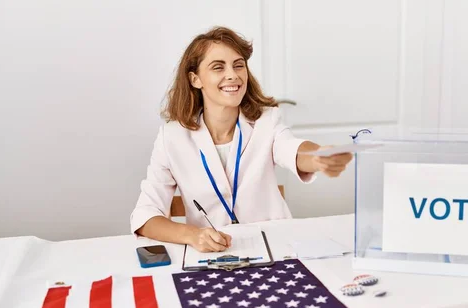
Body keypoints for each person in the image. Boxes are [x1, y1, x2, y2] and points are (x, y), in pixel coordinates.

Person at [130, 26, 353, 252]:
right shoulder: (172, 136)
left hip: (274, 248)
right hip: (216, 256)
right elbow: (145, 215)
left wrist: (318, 158)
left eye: (239, 65)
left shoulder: (267, 120)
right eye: (218, 67)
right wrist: (193, 235)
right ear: (195, 79)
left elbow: (290, 148)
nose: (233, 75)